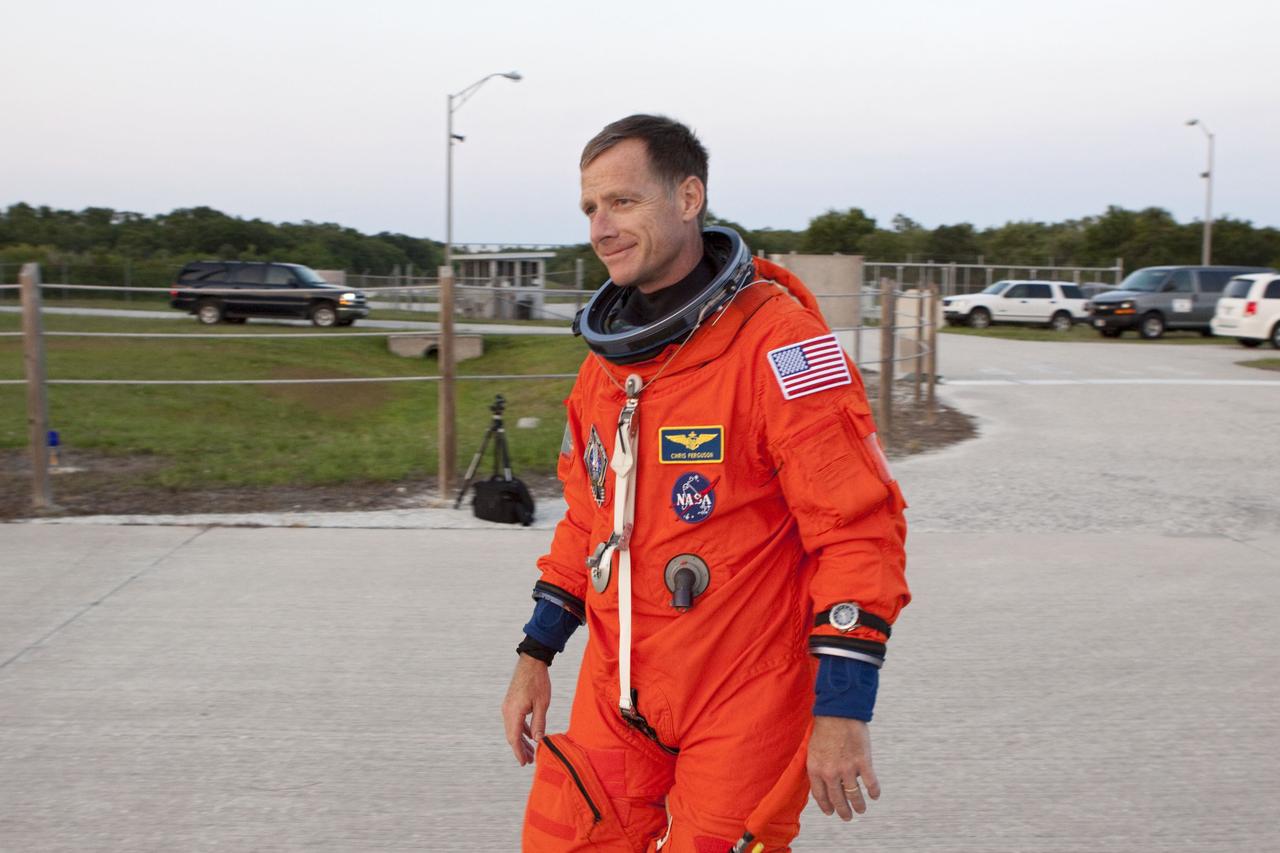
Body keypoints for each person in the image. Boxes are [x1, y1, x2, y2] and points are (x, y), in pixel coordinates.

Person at [501, 114, 910, 853]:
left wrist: (843, 708)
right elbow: (586, 519)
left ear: (688, 197)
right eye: (591, 208)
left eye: (622, 201)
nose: (602, 227)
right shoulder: (605, 367)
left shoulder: (782, 347)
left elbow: (858, 530)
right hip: (617, 682)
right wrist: (536, 652)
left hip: (743, 696)